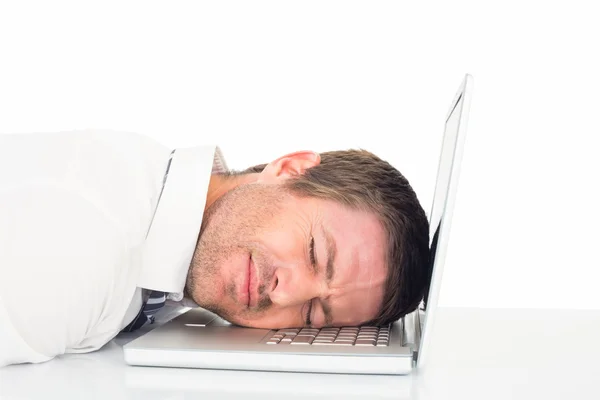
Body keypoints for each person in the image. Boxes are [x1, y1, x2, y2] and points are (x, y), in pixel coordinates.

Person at [0, 129, 430, 367]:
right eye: (316, 253)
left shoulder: (157, 199)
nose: (284, 293)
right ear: (289, 169)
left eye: (313, 314)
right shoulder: (90, 247)